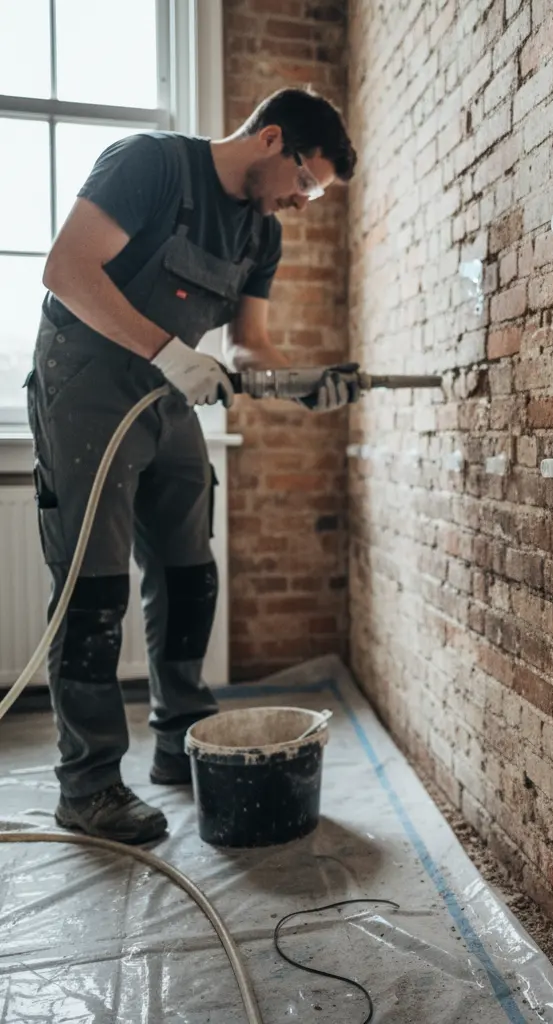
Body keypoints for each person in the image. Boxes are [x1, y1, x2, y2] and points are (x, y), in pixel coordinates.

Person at [26, 87, 357, 844]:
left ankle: (181, 737)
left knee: (188, 572)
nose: (304, 203)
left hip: (169, 396)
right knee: (93, 590)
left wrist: (306, 386)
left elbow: (248, 351)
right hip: (87, 388)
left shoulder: (260, 234)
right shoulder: (150, 166)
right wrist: (171, 353)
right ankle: (90, 786)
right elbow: (67, 269)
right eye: (306, 183)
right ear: (272, 139)